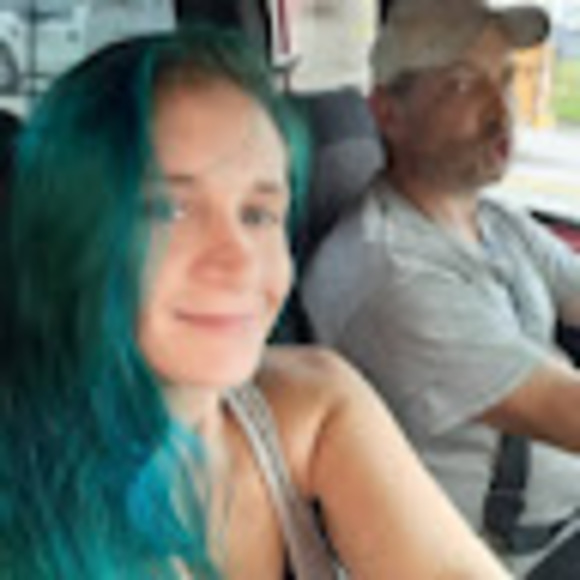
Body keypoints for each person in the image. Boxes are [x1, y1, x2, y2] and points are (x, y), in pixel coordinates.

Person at [0, 24, 512, 579]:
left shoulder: (316, 404)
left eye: (257, 214)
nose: (240, 261)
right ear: (68, 233)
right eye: (168, 210)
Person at [302, 0, 580, 577]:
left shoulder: (496, 220)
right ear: (389, 113)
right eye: (462, 84)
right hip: (512, 558)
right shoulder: (390, 275)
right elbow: (568, 413)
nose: (501, 109)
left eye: (505, 79)